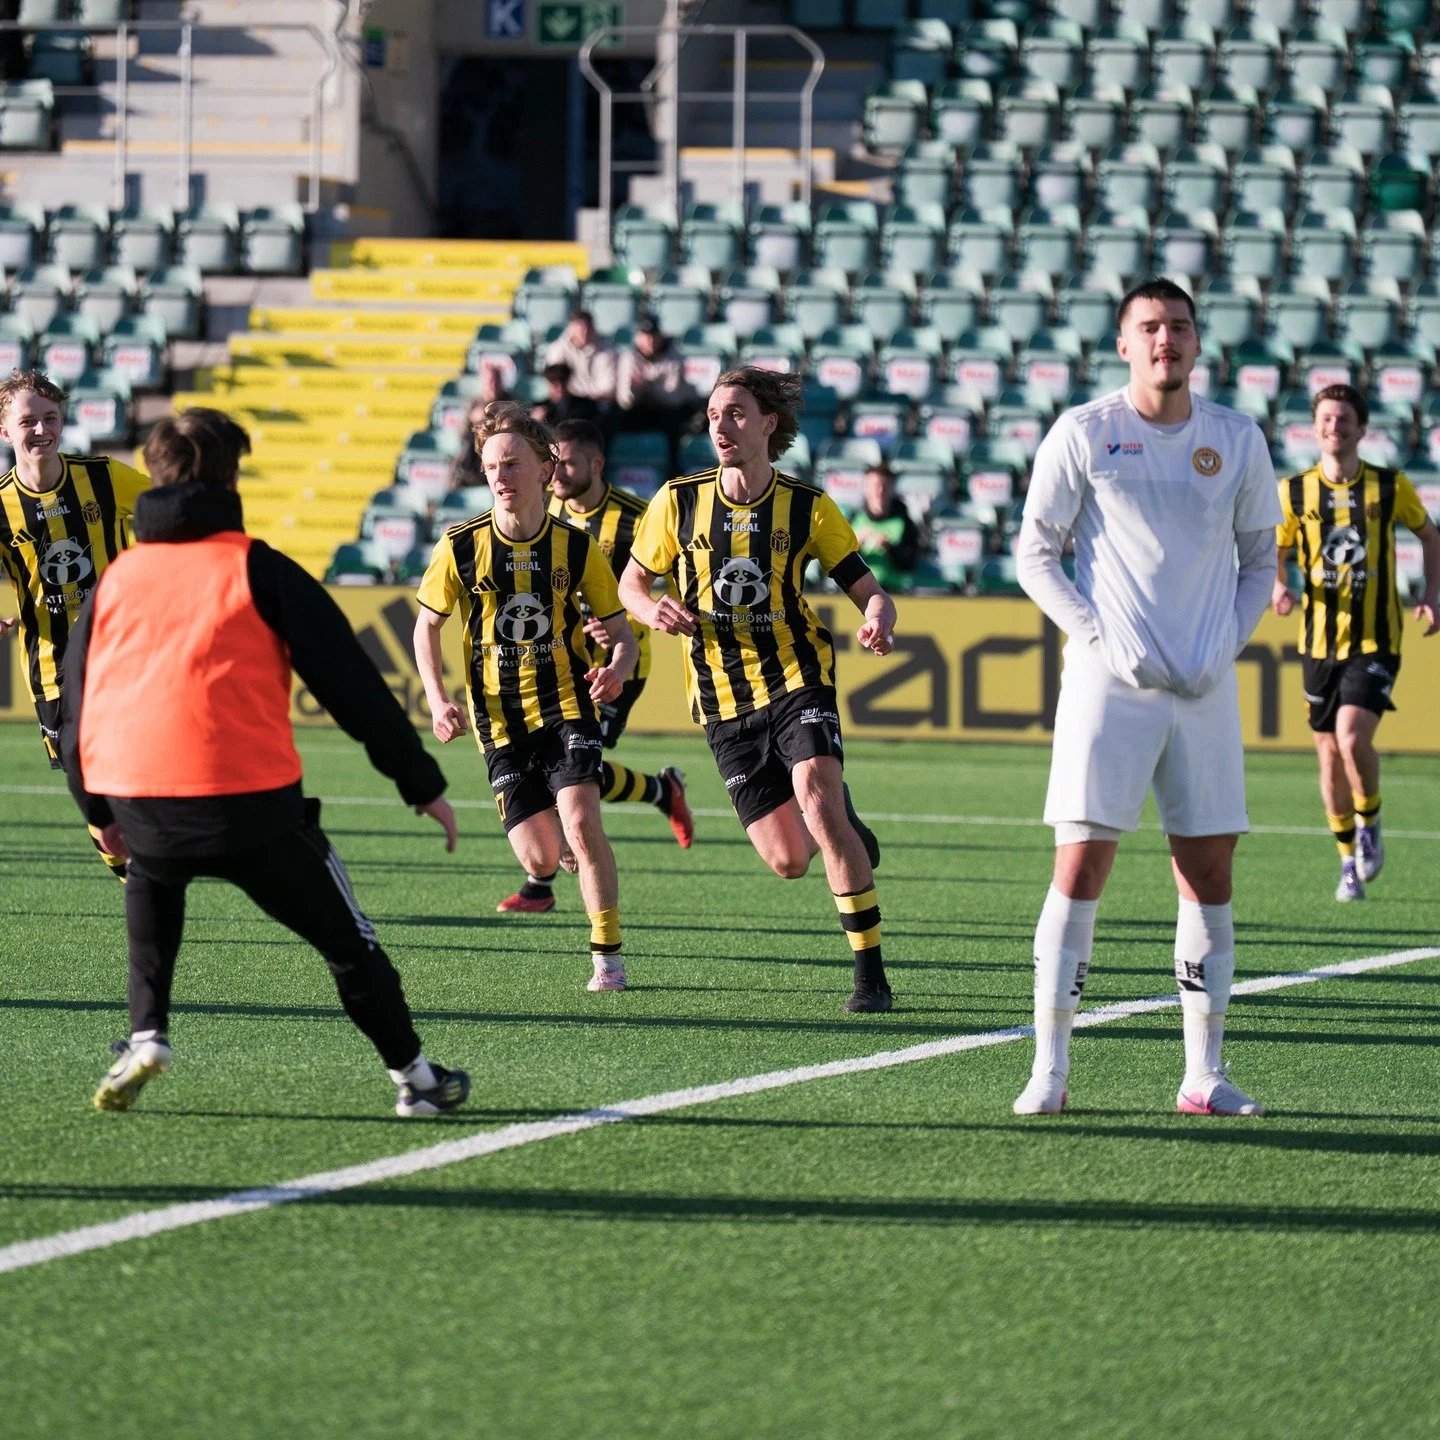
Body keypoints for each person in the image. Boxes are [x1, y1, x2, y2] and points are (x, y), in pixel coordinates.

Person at [60, 409, 468, 1118]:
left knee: (152, 898)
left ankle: (147, 1034)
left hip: (141, 798)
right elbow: (350, 684)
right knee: (348, 942)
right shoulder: (257, 566)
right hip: (251, 803)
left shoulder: (117, 579)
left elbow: (76, 706)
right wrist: (420, 783)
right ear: (232, 477)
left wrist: (97, 812)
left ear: (153, 477)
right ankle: (417, 1079)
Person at [1011, 277, 1282, 1119]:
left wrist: (1223, 645)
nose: (1167, 339)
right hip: (1108, 689)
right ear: (1124, 344)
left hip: (1202, 691)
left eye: (1180, 327)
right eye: (1151, 328)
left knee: (1209, 875)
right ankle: (1050, 1071)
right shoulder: (1085, 432)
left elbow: (1261, 563)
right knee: (1081, 865)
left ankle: (1203, 1074)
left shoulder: (1237, 438)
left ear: (1198, 344)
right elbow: (1035, 555)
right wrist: (1097, 639)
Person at [618, 367, 899, 1014]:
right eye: (714, 414)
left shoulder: (808, 506)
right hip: (721, 700)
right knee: (790, 861)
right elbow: (632, 583)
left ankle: (871, 975)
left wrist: (878, 615)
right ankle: (840, 816)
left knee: (817, 798)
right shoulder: (676, 501)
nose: (721, 424)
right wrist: (651, 607)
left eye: (736, 413)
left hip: (798, 676)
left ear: (768, 424)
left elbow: (867, 587)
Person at [413, 402, 640, 992]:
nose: (500, 477)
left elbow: (621, 632)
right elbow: (426, 627)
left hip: (567, 703)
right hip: (499, 721)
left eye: (512, 464)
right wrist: (437, 701)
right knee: (540, 861)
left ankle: (607, 959)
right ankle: (560, 854)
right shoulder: (460, 547)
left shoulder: (575, 547)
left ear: (544, 470)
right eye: (491, 466)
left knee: (583, 823)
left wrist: (617, 665)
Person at [493, 417, 694, 914]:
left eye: (568, 464)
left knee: (573, 767)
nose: (557, 473)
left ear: (597, 464)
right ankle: (661, 790)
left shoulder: (637, 517)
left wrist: (625, 620)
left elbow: (672, 585)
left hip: (619, 664)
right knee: (567, 767)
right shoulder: (542, 512)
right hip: (556, 663)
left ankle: (541, 885)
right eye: (552, 463)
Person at [1273, 383, 1440, 901]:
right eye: (1325, 418)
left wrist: (1433, 592)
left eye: (1344, 419)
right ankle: (1347, 858)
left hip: (1375, 638)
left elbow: (1430, 535)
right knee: (1327, 756)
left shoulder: (1389, 487)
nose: (1334, 427)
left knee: (1350, 738)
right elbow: (1273, 549)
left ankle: (1370, 821)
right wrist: (1278, 583)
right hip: (1318, 642)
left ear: (1362, 429)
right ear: (1314, 427)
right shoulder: (1293, 492)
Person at [0, 369, 150, 881]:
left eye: (51, 419)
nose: (41, 430)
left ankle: (147, 875)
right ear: (5, 430)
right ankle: (124, 866)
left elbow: (175, 512)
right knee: (95, 798)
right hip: (51, 667)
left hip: (124, 652)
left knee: (133, 773)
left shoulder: (106, 476)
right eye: (28, 421)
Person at [850, 462, 921, 591]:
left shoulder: (905, 522)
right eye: (876, 485)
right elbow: (837, 563)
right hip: (857, 592)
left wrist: (889, 548)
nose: (880, 491)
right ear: (866, 488)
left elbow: (909, 563)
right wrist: (856, 546)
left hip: (894, 591)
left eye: (885, 486)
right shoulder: (853, 519)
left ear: (892, 488)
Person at [544, 310, 617, 406]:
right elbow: (555, 381)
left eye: (587, 328)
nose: (584, 332)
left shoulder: (607, 350)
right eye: (580, 328)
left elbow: (609, 385)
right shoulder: (557, 350)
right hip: (568, 401)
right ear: (571, 328)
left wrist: (588, 397)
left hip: (598, 403)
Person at [532, 362, 600, 429]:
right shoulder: (538, 408)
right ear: (548, 383)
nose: (560, 387)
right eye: (555, 384)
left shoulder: (585, 406)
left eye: (563, 382)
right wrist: (536, 423)